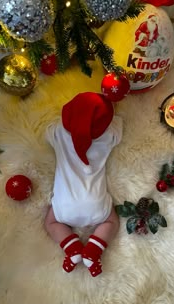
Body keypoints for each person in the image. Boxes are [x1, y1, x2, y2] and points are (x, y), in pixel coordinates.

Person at [44, 92, 123, 277]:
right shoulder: (108, 135)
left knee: (51, 222)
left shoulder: (57, 133)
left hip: (65, 206)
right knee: (111, 222)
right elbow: (119, 126)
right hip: (95, 205)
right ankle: (93, 250)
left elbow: (46, 131)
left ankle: (72, 248)